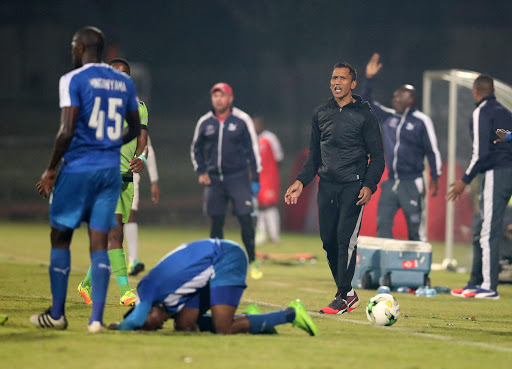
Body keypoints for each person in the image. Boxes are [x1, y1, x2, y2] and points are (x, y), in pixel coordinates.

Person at [31, 27, 141, 333]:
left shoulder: (73, 79)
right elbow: (134, 128)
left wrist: (51, 169)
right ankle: (95, 320)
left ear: (80, 47)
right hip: (108, 173)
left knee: (61, 236)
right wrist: (110, 145)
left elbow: (66, 131)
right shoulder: (124, 82)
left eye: (72, 46)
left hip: (79, 167)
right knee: (100, 241)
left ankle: (57, 314)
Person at [284, 61, 385, 314]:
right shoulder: (321, 113)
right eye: (333, 78)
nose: (336, 82)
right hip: (326, 187)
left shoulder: (365, 115)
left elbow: (378, 157)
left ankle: (343, 295)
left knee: (344, 241)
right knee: (328, 241)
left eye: (342, 78)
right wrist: (300, 181)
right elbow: (313, 157)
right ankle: (348, 293)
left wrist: (369, 185)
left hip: (353, 187)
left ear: (353, 84)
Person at [108, 238, 317, 336]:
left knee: (223, 328)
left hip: (225, 258)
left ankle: (290, 314)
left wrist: (118, 327)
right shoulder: (159, 301)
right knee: (184, 326)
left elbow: (134, 319)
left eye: (148, 325)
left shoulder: (146, 291)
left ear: (146, 311)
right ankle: (248, 318)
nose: (157, 327)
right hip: (211, 264)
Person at [77, 58, 147, 307]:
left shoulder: (139, 107)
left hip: (127, 180)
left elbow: (142, 143)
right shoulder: (98, 106)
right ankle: (126, 292)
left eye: (125, 74)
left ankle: (86, 283)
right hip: (104, 179)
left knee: (111, 240)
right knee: (116, 234)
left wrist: (142, 159)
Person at [362, 53, 442, 241]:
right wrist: (369, 78)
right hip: (391, 181)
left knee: (415, 228)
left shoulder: (422, 121)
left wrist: (435, 176)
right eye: (394, 97)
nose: (394, 100)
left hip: (412, 182)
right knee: (383, 224)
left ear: (410, 100)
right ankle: (386, 268)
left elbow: (432, 151)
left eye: (398, 97)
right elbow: (367, 102)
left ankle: (420, 270)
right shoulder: (389, 117)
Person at [448, 74, 512, 299]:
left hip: (496, 172)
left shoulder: (481, 112)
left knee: (487, 231)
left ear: (475, 92)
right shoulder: (506, 112)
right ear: (493, 90)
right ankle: (475, 282)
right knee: (482, 229)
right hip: (506, 172)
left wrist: (464, 180)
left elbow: (480, 153)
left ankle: (488, 286)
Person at [190, 83, 263, 279]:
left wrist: (255, 178)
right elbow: (195, 149)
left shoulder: (242, 120)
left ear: (230, 99)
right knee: (216, 222)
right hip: (214, 181)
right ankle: (218, 263)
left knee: (246, 220)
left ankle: (253, 261)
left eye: (222, 96)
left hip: (238, 178)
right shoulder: (205, 122)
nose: (218, 99)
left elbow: (253, 150)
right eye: (215, 96)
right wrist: (201, 171)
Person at [126, 136, 160, 276]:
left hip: (132, 176)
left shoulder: (138, 122)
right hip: (109, 175)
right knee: (111, 221)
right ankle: (102, 261)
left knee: (130, 215)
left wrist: (154, 182)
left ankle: (132, 261)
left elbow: (148, 150)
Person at [253, 117, 284, 245]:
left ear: (262, 125)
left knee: (270, 205)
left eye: (257, 124)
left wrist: (272, 174)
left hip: (269, 177)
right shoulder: (251, 140)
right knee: (259, 206)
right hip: (257, 178)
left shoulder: (270, 138)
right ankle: (261, 234)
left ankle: (274, 235)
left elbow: (279, 157)